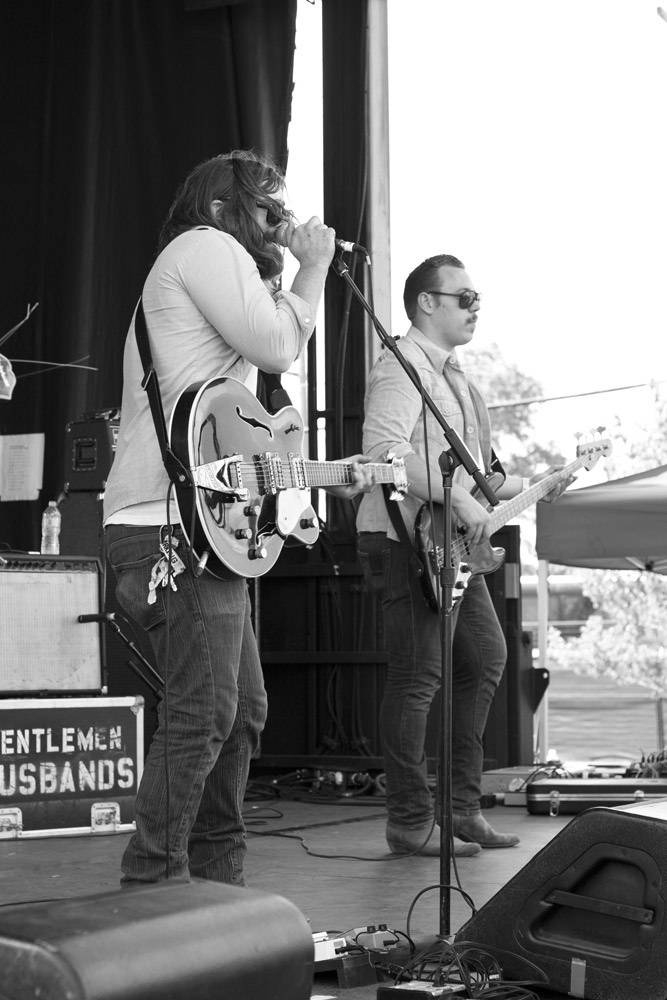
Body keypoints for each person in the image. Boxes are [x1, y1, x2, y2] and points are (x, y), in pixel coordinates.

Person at [103, 149, 370, 885]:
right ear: (221, 208)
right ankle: (151, 886)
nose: (282, 225)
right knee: (206, 709)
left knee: (241, 709)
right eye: (269, 210)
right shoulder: (201, 246)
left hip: (199, 528)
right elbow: (280, 342)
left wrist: (311, 485)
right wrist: (311, 265)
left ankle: (219, 890)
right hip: (163, 526)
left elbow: (237, 443)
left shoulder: (223, 271)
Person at [357, 254, 564, 858]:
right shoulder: (400, 368)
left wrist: (544, 482)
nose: (476, 308)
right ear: (427, 303)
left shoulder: (463, 382)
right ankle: (408, 818)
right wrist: (456, 498)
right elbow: (381, 454)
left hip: (451, 544)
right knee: (419, 676)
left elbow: (485, 481)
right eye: (465, 297)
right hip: (407, 539)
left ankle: (461, 809)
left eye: (478, 299)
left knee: (484, 658)